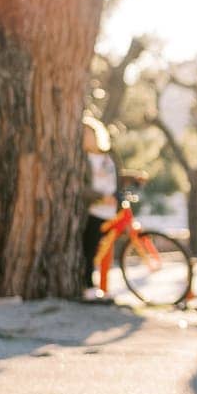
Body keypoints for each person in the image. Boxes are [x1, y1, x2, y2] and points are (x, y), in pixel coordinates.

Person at [81, 116, 117, 299]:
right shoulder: (83, 159)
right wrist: (101, 197)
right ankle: (88, 285)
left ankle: (105, 287)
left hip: (110, 212)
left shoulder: (108, 156)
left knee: (106, 252)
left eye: (89, 133)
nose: (86, 137)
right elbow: (79, 186)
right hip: (93, 210)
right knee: (90, 250)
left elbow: (112, 179)